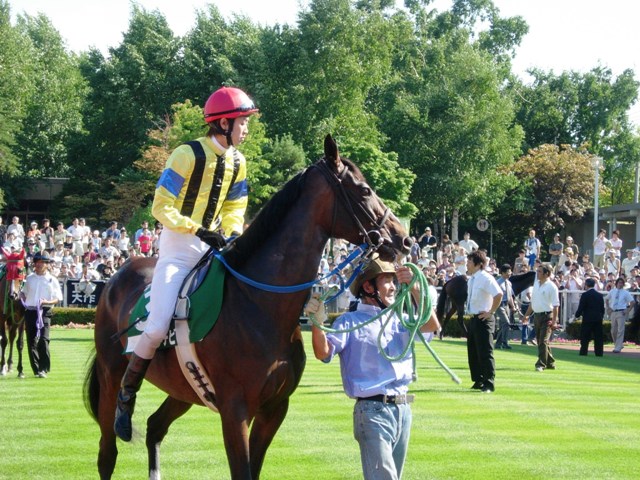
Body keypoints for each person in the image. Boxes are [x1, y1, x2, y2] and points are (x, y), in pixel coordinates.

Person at [114, 86, 259, 442]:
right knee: (158, 323)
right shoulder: (186, 153)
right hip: (179, 247)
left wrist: (233, 231)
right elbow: (161, 206)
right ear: (223, 123)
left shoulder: (239, 162)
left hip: (217, 247)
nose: (246, 129)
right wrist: (198, 229)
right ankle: (126, 393)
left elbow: (235, 206)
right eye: (243, 122)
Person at [307, 258, 440, 480]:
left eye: (393, 281)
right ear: (368, 287)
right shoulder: (349, 321)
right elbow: (323, 353)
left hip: (403, 411)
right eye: (387, 280)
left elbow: (431, 325)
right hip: (371, 411)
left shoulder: (399, 317)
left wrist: (416, 290)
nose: (393, 287)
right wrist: (316, 323)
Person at [465, 250, 502, 393]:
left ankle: (489, 382)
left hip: (484, 318)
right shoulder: (472, 279)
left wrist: (491, 311)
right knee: (473, 351)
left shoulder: (486, 278)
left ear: (478, 264)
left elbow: (498, 294)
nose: (467, 264)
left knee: (485, 351)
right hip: (474, 318)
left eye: (469, 262)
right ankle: (478, 379)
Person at [20, 253, 63, 378]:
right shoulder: (30, 278)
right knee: (31, 341)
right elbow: (24, 293)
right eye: (37, 262)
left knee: (43, 339)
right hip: (31, 311)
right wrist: (21, 297)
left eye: (42, 262)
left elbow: (57, 299)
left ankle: (44, 367)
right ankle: (37, 369)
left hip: (44, 311)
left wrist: (46, 302)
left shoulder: (52, 280)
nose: (39, 264)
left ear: (47, 264)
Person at [523, 264, 559, 372]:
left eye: (539, 271)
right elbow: (532, 303)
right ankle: (550, 362)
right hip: (537, 315)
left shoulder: (552, 287)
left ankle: (541, 364)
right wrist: (526, 315)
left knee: (543, 341)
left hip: (547, 315)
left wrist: (554, 321)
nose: (537, 273)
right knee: (541, 341)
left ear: (546, 274)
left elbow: (556, 306)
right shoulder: (536, 284)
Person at [574, 277, 605, 356]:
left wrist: (577, 315)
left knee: (585, 337)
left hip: (587, 319)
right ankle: (599, 353)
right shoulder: (599, 295)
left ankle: (583, 352)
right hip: (598, 318)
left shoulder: (585, 295)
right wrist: (601, 316)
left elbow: (581, 307)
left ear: (586, 285)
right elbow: (602, 308)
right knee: (598, 337)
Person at [605, 277, 634, 353]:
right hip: (613, 312)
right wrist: (608, 308)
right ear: (616, 283)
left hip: (621, 312)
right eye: (619, 282)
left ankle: (618, 347)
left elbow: (632, 302)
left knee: (620, 330)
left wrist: (627, 310)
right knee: (613, 330)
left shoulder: (626, 293)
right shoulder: (612, 291)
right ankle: (617, 344)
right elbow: (607, 299)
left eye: (622, 283)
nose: (620, 284)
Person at [494, 264, 515, 350]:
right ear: (502, 273)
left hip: (506, 305)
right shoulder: (498, 283)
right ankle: (504, 342)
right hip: (499, 304)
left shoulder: (509, 283)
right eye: (507, 272)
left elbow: (510, 297)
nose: (509, 273)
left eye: (510, 271)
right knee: (506, 323)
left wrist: (513, 307)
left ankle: (499, 343)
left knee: (503, 324)